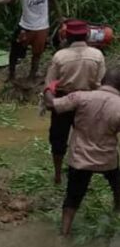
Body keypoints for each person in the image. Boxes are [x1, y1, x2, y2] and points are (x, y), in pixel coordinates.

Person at [43, 67, 120, 236]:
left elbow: (51, 105)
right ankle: (117, 209)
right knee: (117, 184)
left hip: (80, 158)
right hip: (107, 158)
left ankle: (64, 233)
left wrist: (48, 88)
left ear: (102, 81)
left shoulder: (81, 97)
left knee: (72, 199)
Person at [44, 19, 106, 185]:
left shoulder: (59, 56)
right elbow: (101, 84)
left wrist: (49, 99)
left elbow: (50, 83)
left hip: (64, 101)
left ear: (67, 37)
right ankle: (83, 174)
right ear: (86, 35)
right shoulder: (97, 55)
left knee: (58, 139)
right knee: (86, 139)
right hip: (88, 101)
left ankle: (57, 175)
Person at [0, 0, 62, 81]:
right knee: (14, 52)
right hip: (25, 27)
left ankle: (32, 75)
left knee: (37, 54)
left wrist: (60, 17)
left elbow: (53, 1)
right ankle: (11, 75)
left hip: (42, 28)